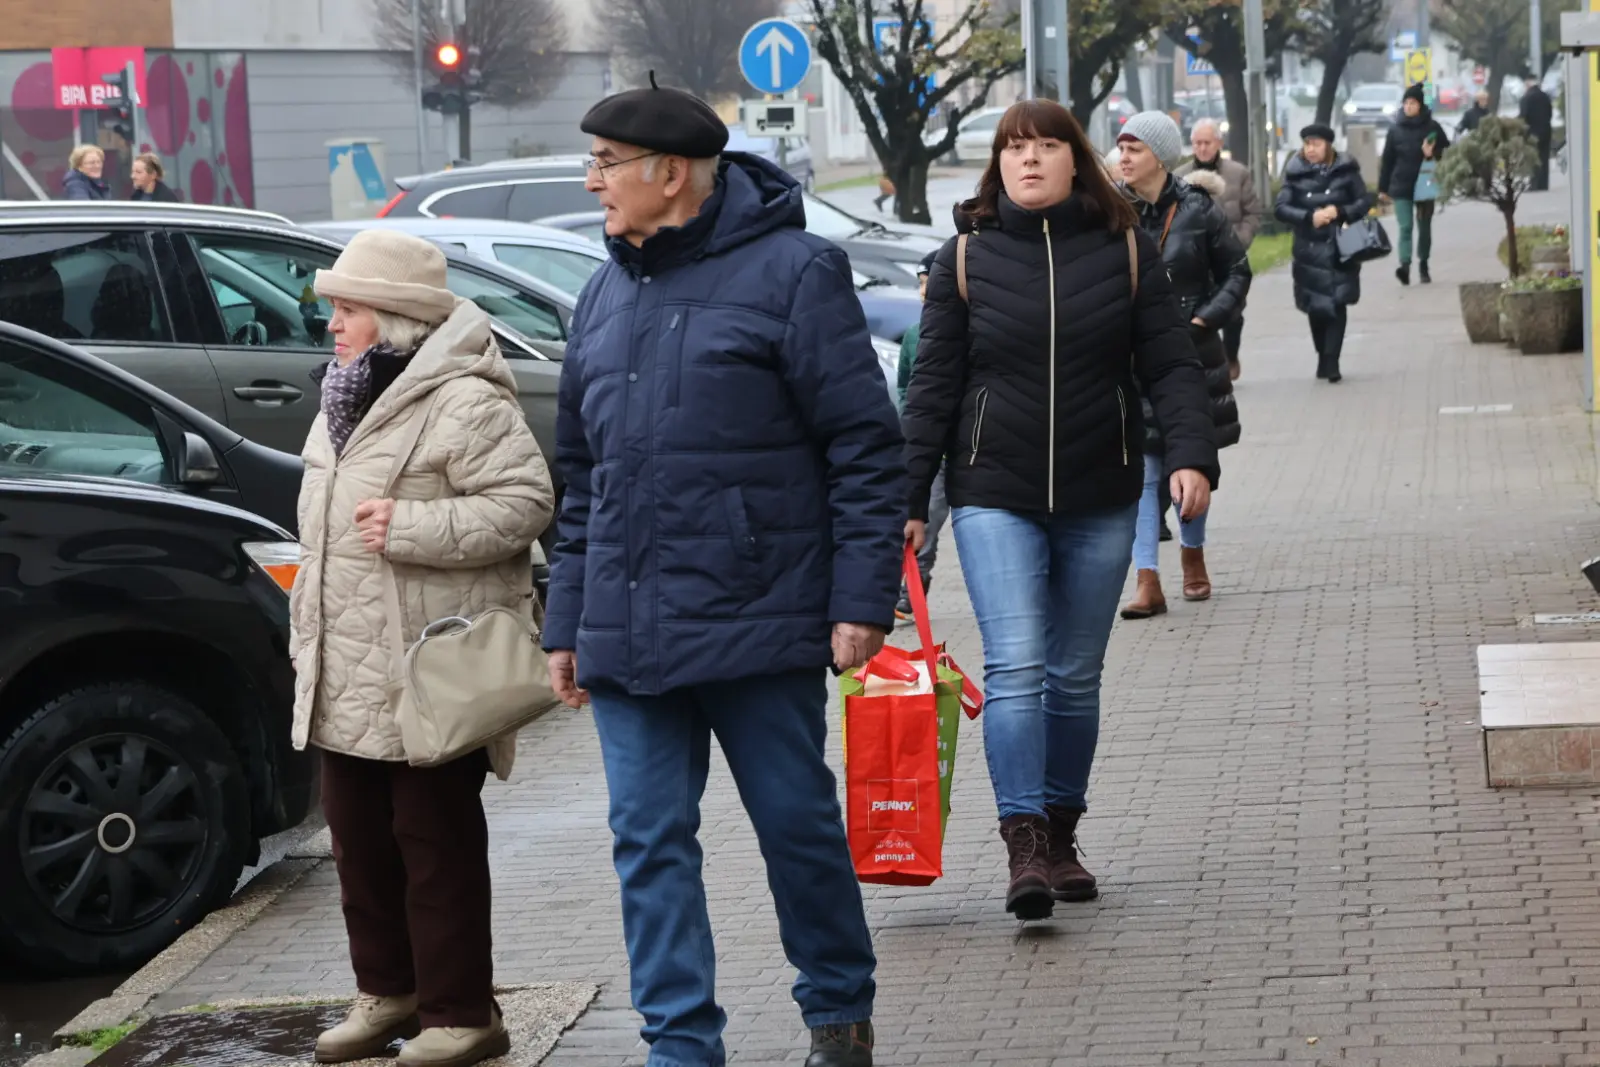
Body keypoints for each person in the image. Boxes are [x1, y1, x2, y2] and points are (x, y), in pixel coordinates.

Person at [547, 77, 904, 1067]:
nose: (592, 184)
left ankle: (837, 1010)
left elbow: (865, 450)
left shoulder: (796, 272)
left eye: (606, 164)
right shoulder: (601, 288)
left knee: (793, 825)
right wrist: (565, 620)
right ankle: (680, 1044)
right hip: (626, 625)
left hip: (761, 611)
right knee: (648, 841)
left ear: (671, 172)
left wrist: (860, 596)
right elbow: (582, 476)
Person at [901, 99, 1217, 922]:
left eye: (1046, 146)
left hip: (1100, 489)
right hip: (992, 492)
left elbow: (1172, 367)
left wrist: (1189, 456)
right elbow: (930, 388)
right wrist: (907, 501)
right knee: (1016, 665)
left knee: (1074, 676)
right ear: (997, 165)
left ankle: (1064, 832)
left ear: (1077, 161)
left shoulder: (1125, 251)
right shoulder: (963, 259)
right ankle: (1025, 841)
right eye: (1015, 148)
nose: (1030, 160)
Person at [289, 230, 554, 1067]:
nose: (332, 324)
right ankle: (388, 991)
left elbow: (525, 502)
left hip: (429, 666)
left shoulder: (464, 399)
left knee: (432, 842)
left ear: (397, 319)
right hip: (346, 663)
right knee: (356, 838)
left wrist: (414, 526)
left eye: (349, 309)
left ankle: (461, 1012)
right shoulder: (342, 395)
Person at [1115, 112, 1247, 620]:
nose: (1123, 158)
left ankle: (1192, 554)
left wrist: (1203, 319)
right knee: (1144, 473)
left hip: (1193, 357)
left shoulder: (1199, 210)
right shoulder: (1113, 213)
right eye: (1121, 149)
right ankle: (1147, 579)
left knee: (1190, 466)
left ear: (1160, 155)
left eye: (1134, 149)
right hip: (1133, 361)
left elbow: (1236, 271)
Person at [1275, 124, 1374, 384]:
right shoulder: (1295, 173)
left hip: (1341, 246)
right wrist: (1310, 216)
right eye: (1307, 144)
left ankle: (1332, 361)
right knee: (1316, 308)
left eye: (1316, 144)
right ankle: (1322, 355)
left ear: (1328, 146)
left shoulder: (1346, 170)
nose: (1311, 149)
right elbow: (1281, 208)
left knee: (1337, 303)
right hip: (1309, 250)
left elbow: (1364, 201)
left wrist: (1340, 212)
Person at [1175, 117, 1262, 381]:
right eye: (1197, 143)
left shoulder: (1238, 173)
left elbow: (1253, 213)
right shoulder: (1180, 177)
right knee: (1199, 312)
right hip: (1196, 260)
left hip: (1228, 258)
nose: (1202, 148)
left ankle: (1231, 355)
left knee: (1233, 313)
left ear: (1218, 143)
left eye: (1207, 142)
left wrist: (1238, 242)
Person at [895, 249, 946, 619]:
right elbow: (903, 387)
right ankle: (912, 589)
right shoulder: (914, 334)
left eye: (931, 283)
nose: (925, 292)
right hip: (933, 455)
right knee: (925, 518)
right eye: (921, 284)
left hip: (964, 451)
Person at [1380, 85, 1449, 285]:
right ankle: (1404, 265)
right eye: (1406, 103)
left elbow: (1447, 153)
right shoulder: (1395, 130)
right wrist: (1383, 189)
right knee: (1405, 226)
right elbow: (1387, 161)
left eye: (1413, 103)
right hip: (1401, 184)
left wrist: (1432, 154)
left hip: (1426, 183)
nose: (1408, 107)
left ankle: (1424, 264)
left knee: (1424, 226)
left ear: (1420, 105)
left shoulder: (1432, 127)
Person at [1519, 75, 1554, 191]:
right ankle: (1543, 184)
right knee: (1544, 158)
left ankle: (1534, 184)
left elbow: (1523, 116)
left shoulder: (1526, 98)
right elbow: (1550, 113)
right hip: (1546, 131)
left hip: (1532, 133)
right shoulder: (1545, 97)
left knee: (1533, 158)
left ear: (1528, 84)